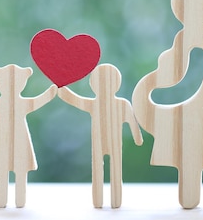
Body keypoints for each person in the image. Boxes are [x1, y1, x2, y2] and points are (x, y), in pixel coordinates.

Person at [132, 0, 203, 209]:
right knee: (189, 152)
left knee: (190, 150)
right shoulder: (200, 38)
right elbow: (176, 72)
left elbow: (177, 73)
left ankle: (189, 195)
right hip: (199, 108)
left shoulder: (200, 39)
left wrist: (163, 71)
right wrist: (165, 69)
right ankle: (189, 195)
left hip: (199, 110)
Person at [58, 64, 143, 208]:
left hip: (113, 144)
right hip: (100, 144)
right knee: (101, 170)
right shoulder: (105, 104)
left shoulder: (122, 104)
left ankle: (113, 200)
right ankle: (99, 200)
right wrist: (60, 88)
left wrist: (137, 137)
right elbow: (74, 99)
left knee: (113, 171)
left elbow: (132, 123)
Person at [0, 64, 57, 208]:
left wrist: (52, 90)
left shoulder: (17, 103)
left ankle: (19, 201)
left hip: (19, 141)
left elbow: (38, 101)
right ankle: (3, 200)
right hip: (2, 142)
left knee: (20, 170)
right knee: (2, 171)